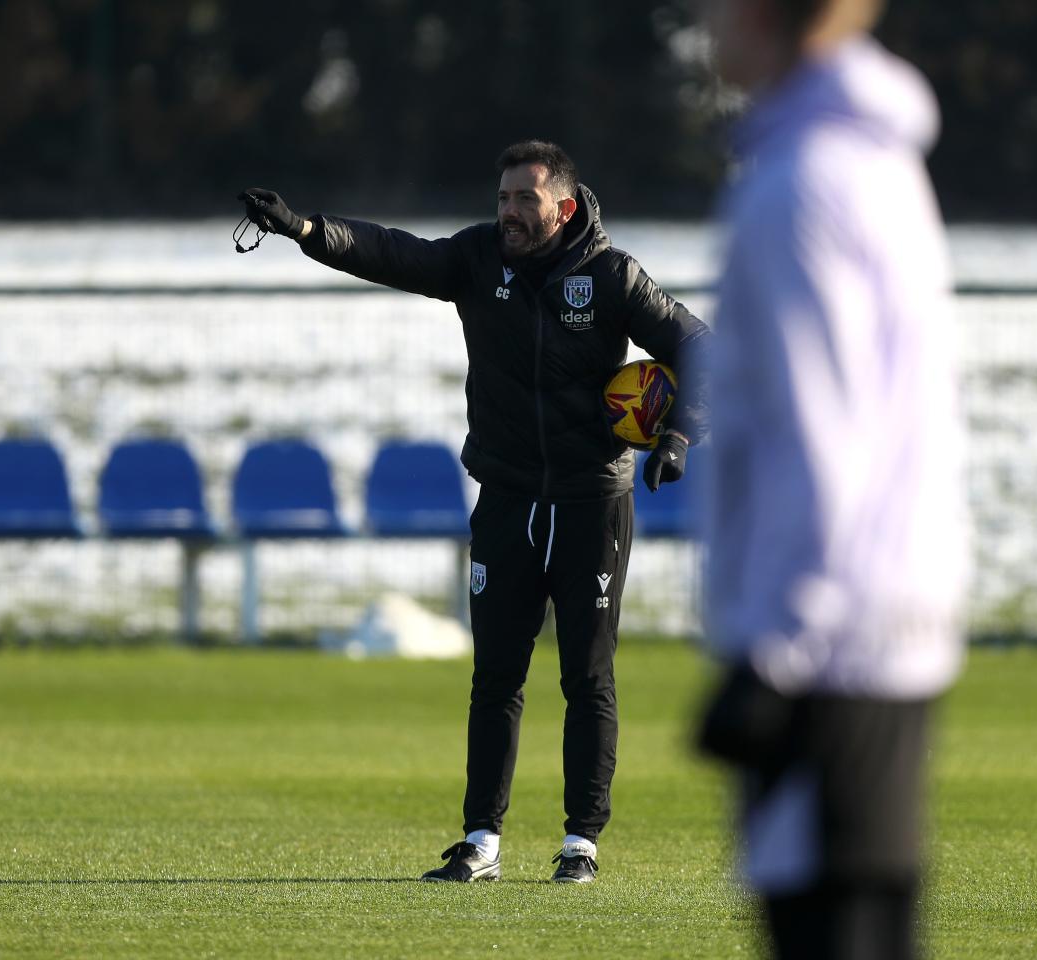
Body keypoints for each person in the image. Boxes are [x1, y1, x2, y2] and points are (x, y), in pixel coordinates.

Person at [239, 140, 710, 884]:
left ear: (563, 205)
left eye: (524, 199)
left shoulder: (611, 275)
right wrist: (306, 229)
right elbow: (395, 254)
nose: (509, 213)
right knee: (496, 676)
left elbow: (700, 347)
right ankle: (480, 841)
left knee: (586, 677)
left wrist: (679, 434)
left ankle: (580, 845)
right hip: (507, 496)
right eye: (501, 199)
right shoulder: (479, 260)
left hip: (592, 499)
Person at [694, 0, 968, 957]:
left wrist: (771, 654)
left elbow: (822, 439)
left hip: (822, 656)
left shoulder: (800, 186)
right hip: (886, 636)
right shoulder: (880, 164)